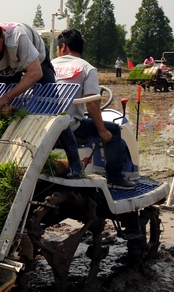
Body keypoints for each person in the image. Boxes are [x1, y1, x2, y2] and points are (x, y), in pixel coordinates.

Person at [52, 29, 134, 189]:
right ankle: (115, 178)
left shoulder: (50, 65)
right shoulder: (87, 68)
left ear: (63, 48)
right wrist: (102, 130)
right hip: (70, 127)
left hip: (47, 125)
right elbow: (92, 103)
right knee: (114, 131)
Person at [0, 15, 57, 157]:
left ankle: (72, 163)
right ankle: (8, 154)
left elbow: (35, 72)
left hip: (35, 61)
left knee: (51, 107)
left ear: (2, 38)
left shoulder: (17, 38)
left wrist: (6, 97)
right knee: (6, 111)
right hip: (8, 67)